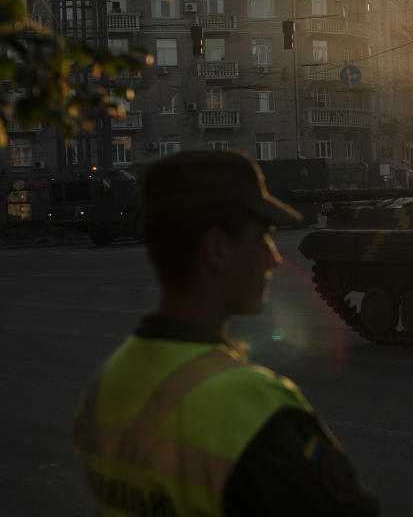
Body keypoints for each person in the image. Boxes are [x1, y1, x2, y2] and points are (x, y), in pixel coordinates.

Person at [73, 149, 379, 517]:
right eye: (262, 237)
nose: (274, 258)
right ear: (217, 250)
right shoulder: (254, 407)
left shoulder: (104, 385)